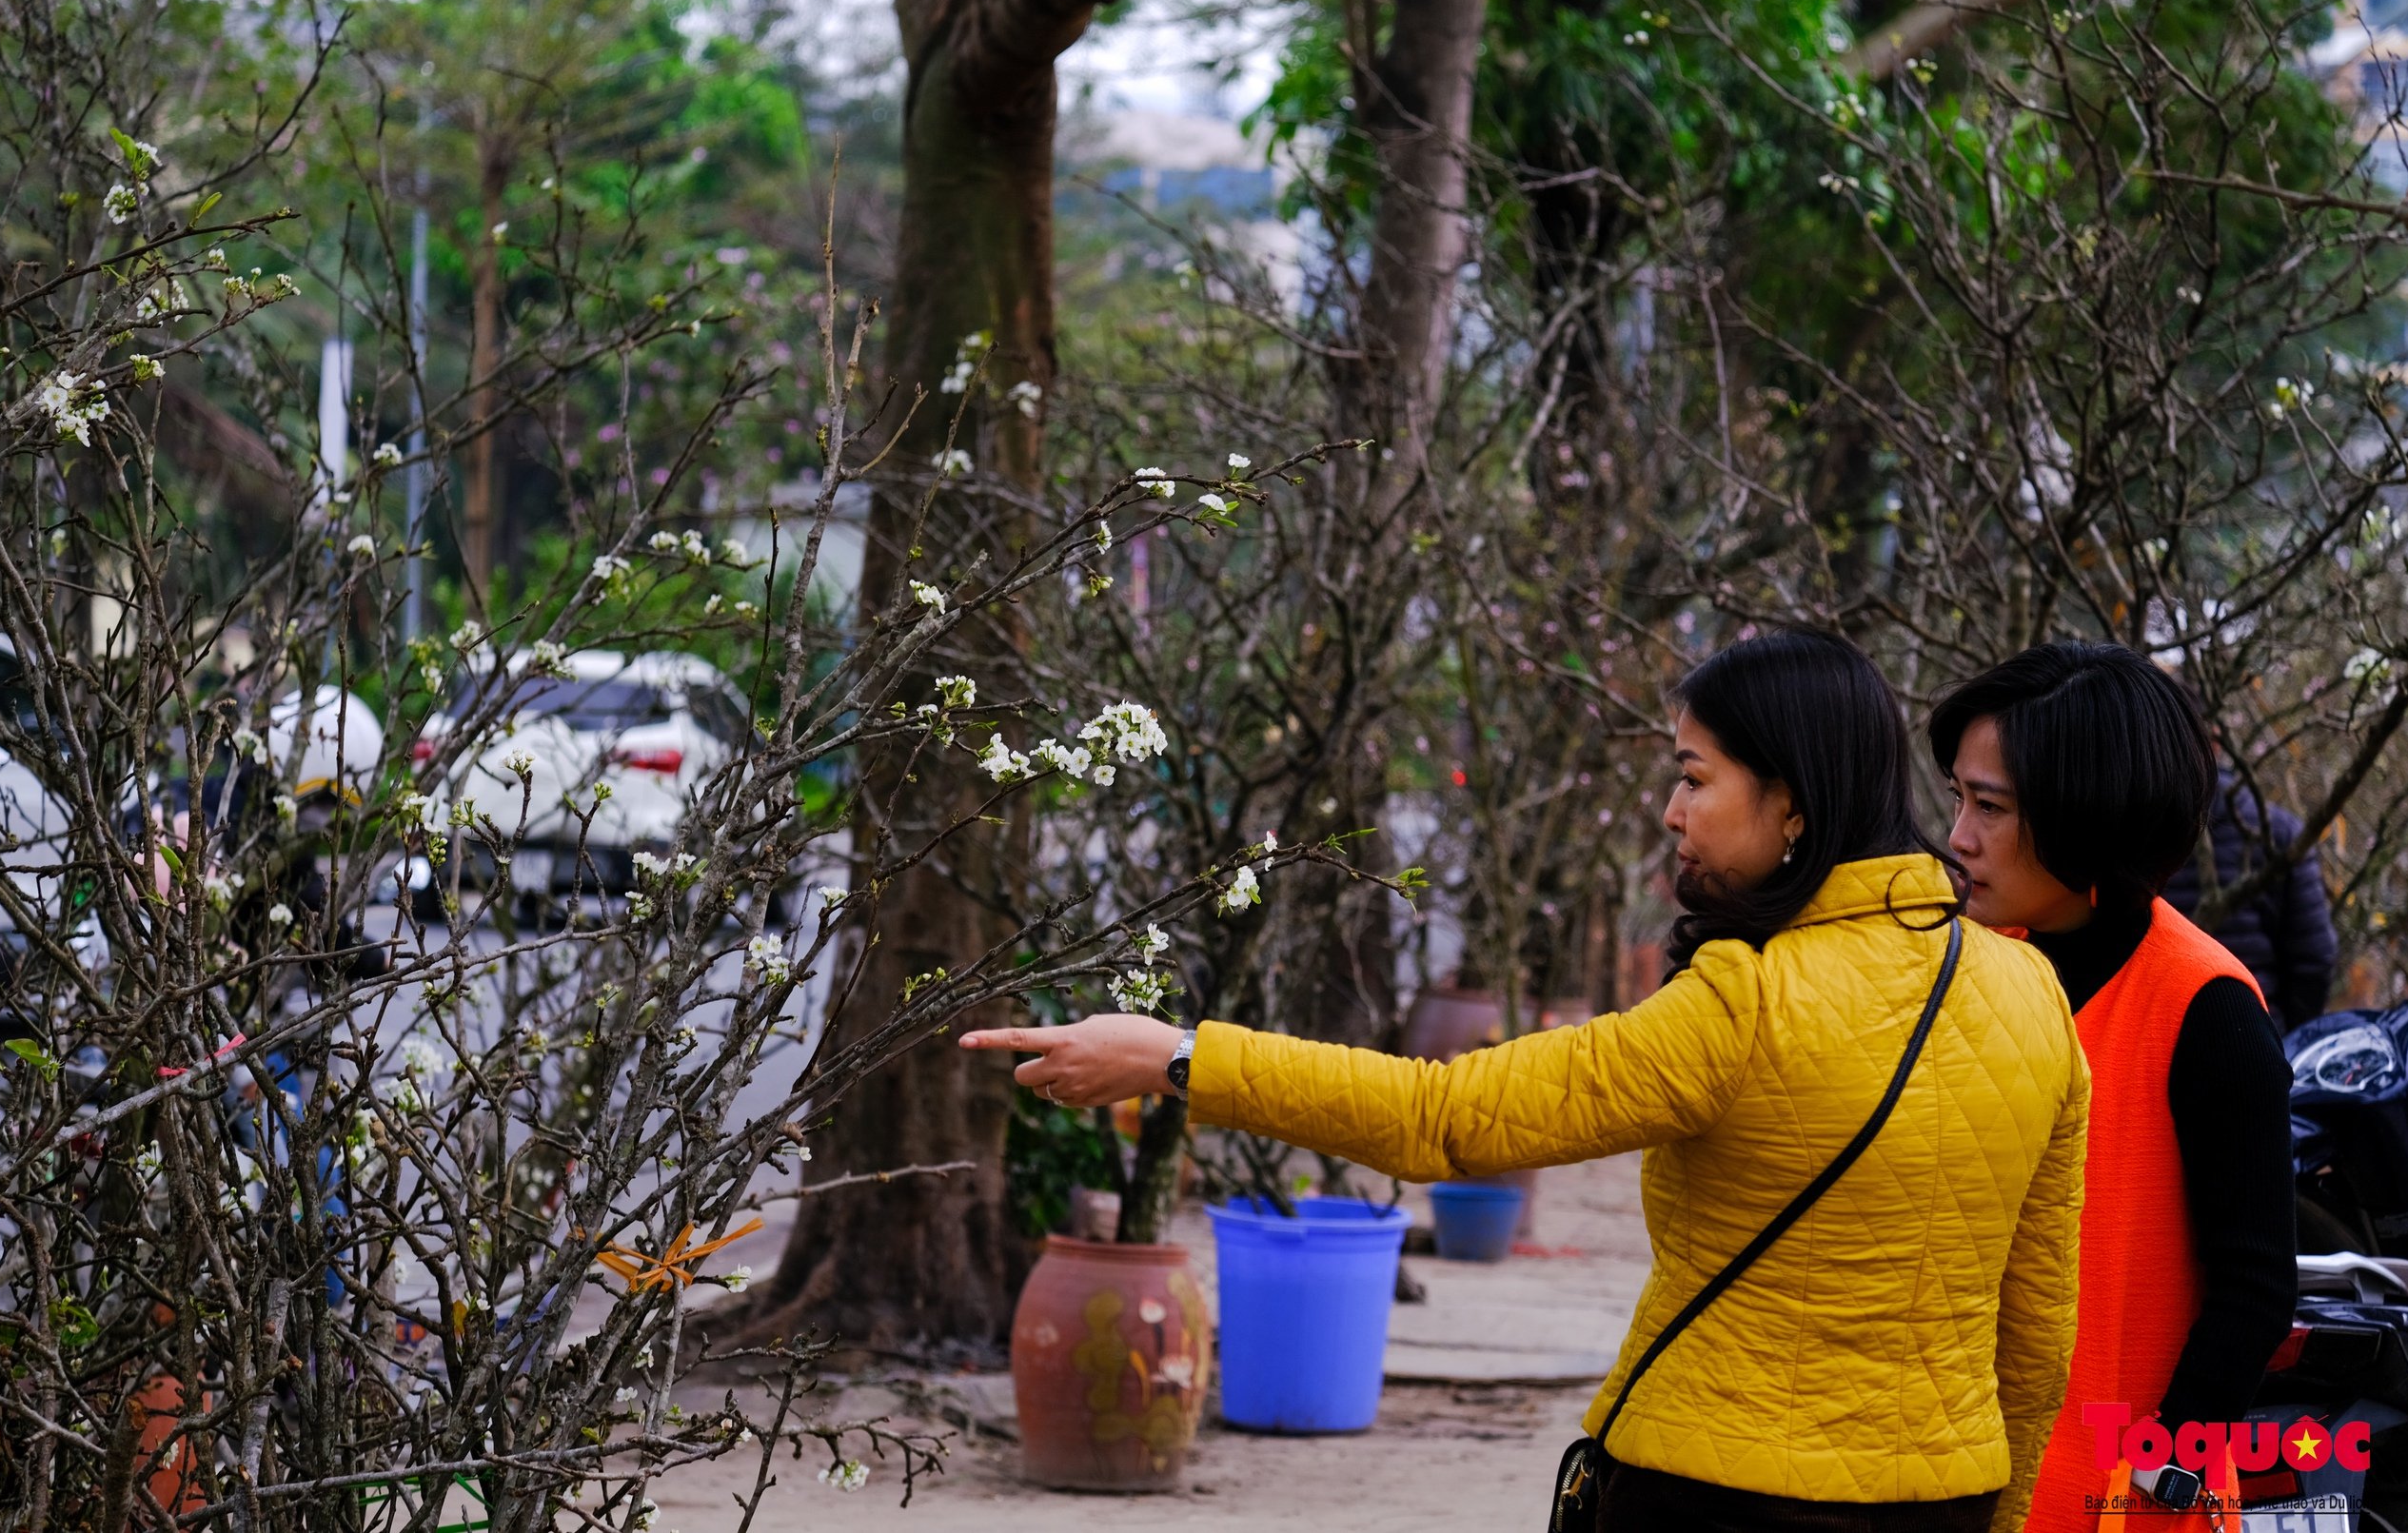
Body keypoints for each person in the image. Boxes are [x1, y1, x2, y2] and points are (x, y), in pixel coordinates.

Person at [966, 630, 2089, 1533]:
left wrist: (1176, 1056)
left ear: (1790, 803)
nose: (1669, 807)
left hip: (1713, 1490)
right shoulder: (2031, 995)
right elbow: (2037, 1329)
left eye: (1694, 776)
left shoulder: (1747, 1000)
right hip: (1942, 1494)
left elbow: (1441, 1120)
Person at [1928, 644, 2296, 1531]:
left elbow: (2256, 1290)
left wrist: (2164, 1462)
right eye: (1958, 797)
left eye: (1991, 806)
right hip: (1947, 1478)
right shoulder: (1962, 968)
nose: (1959, 836)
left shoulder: (2206, 1008)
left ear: (2083, 816)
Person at [2161, 773, 2339, 1032]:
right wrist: (2287, 1038)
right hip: (2260, 1031)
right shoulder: (2283, 832)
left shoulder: (2132, 829)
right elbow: (2314, 962)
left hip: (2160, 1035)